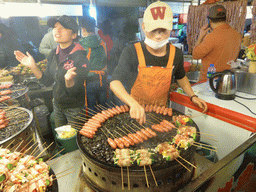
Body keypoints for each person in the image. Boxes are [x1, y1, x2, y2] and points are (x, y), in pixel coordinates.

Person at [110, 1, 208, 125]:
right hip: (135, 110)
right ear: (144, 27)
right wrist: (133, 104)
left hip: (161, 111)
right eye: (153, 30)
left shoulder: (176, 54)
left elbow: (181, 77)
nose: (158, 36)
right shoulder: (132, 51)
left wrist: (193, 96)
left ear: (170, 28)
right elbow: (114, 82)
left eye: (163, 31)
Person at [14, 15, 90, 128]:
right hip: (57, 105)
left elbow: (76, 92)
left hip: (74, 108)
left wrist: (69, 81)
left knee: (74, 141)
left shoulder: (80, 57)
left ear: (74, 34)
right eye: (55, 27)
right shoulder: (53, 53)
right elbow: (48, 82)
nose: (57, 30)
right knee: (60, 137)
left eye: (63, 27)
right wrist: (33, 66)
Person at [192, 5, 242, 81]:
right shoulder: (237, 35)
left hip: (210, 82)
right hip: (227, 80)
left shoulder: (211, 37)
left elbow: (195, 55)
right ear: (225, 19)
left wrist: (200, 36)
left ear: (210, 21)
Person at [79, 16, 108, 112]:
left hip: (89, 81)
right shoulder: (103, 43)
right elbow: (105, 59)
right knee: (104, 109)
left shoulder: (81, 45)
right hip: (103, 80)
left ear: (83, 29)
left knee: (91, 109)